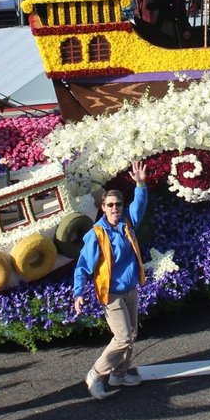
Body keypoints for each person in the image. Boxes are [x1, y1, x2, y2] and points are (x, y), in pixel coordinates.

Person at [72, 161, 148, 400]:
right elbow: (83, 266)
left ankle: (119, 373)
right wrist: (78, 292)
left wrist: (140, 184)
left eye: (118, 205)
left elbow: (140, 205)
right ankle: (96, 373)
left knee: (131, 334)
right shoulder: (96, 235)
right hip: (110, 293)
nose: (115, 208)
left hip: (130, 289)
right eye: (111, 205)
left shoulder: (127, 224)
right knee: (123, 336)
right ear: (103, 208)